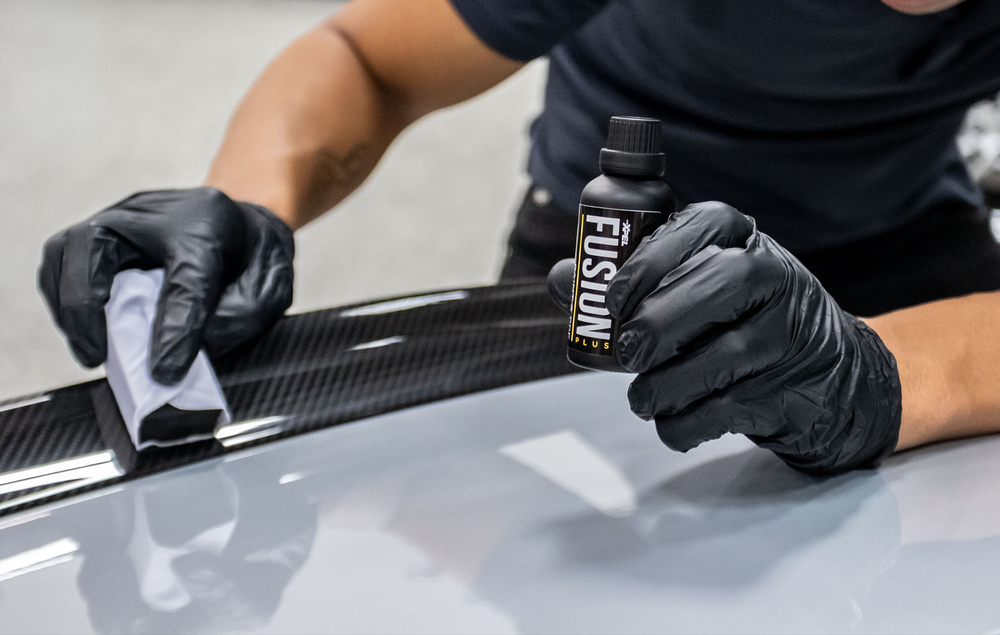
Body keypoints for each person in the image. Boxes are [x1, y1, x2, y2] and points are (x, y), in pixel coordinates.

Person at [37, 0, 1000, 473]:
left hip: (909, 245)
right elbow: (369, 59)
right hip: (610, 261)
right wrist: (247, 207)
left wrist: (885, 375)